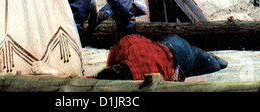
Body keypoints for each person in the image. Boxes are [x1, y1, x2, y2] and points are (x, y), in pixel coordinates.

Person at [96, 34, 227, 81]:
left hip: (180, 55)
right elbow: (130, 39)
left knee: (216, 65)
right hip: (167, 43)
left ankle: (212, 58)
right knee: (199, 55)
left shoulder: (142, 77)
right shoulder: (124, 49)